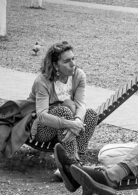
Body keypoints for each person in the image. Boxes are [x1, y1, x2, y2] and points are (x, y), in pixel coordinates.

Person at [27, 41, 98, 175]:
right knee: (63, 111)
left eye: (73, 59)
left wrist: (76, 121)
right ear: (55, 65)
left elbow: (81, 104)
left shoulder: (78, 75)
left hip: (65, 128)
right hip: (42, 129)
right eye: (66, 61)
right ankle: (72, 164)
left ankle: (77, 159)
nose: (73, 64)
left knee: (91, 114)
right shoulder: (42, 81)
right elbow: (42, 115)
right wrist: (70, 123)